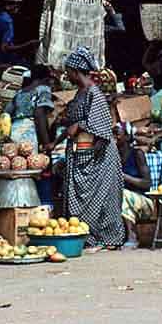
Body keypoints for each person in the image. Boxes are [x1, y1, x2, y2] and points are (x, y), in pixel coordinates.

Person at [56, 47, 125, 250]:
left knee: (102, 200)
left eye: (68, 70)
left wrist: (90, 157)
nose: (66, 75)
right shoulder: (80, 93)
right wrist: (57, 141)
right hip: (81, 155)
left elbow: (102, 131)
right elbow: (72, 124)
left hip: (99, 157)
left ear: (76, 71)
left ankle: (107, 239)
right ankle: (86, 237)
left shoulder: (95, 93)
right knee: (79, 200)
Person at [114, 122, 162, 249]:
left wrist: (124, 177)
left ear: (128, 137)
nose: (114, 137)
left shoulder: (137, 154)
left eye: (117, 134)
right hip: (120, 201)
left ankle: (132, 236)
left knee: (123, 194)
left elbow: (147, 184)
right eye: (113, 134)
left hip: (143, 203)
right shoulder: (113, 156)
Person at [5, 66, 57, 150]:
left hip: (14, 133)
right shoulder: (43, 90)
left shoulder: (20, 92)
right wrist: (46, 143)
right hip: (29, 135)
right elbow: (39, 114)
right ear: (45, 79)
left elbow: (7, 112)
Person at [0, 0, 38, 72]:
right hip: (4, 60)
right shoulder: (7, 21)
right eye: (16, 5)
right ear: (9, 6)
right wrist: (29, 44)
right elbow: (5, 48)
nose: (18, 8)